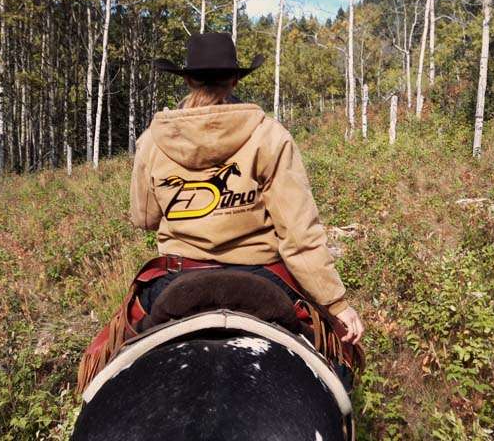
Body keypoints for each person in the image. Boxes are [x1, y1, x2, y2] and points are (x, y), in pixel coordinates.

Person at [129, 32, 364, 345]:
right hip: (260, 275)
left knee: (116, 342)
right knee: (335, 357)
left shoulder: (152, 141)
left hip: (178, 275)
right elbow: (298, 235)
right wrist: (336, 303)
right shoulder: (269, 135)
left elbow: (144, 218)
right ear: (234, 81)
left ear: (187, 81)